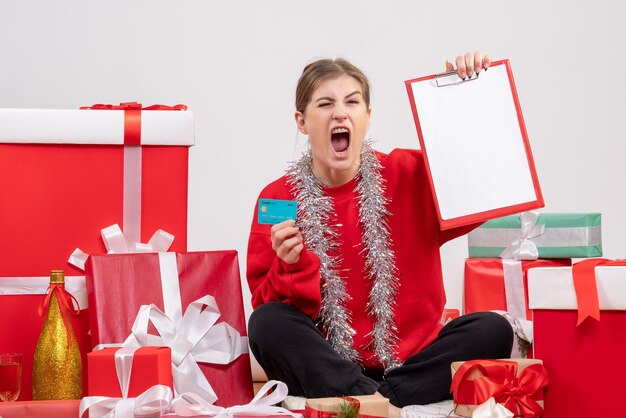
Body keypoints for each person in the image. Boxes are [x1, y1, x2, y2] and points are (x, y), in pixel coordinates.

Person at [246, 52, 513, 414]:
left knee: (493, 328)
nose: (340, 112)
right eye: (325, 103)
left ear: (367, 118)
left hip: (413, 360)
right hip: (328, 360)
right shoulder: (277, 198)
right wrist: (290, 266)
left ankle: (374, 400)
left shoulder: (410, 172)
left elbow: (480, 186)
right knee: (266, 323)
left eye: (352, 102)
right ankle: (380, 396)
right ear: (302, 121)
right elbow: (268, 306)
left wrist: (466, 97)